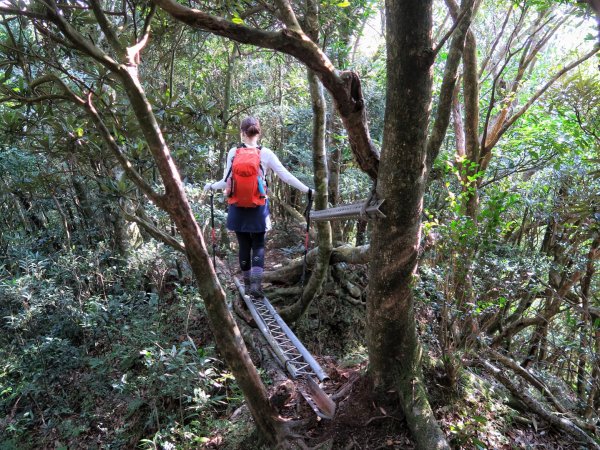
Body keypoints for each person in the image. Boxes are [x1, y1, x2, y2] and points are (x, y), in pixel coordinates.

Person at [204, 116, 313, 298]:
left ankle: (247, 287)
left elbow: (225, 182)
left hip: (237, 206)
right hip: (258, 206)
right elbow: (285, 176)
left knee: (244, 245)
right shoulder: (266, 153)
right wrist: (307, 190)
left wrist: (211, 187)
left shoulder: (234, 152)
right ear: (258, 132)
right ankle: (256, 286)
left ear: (242, 132)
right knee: (259, 245)